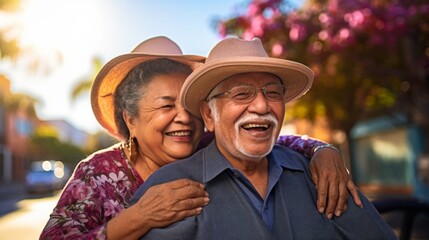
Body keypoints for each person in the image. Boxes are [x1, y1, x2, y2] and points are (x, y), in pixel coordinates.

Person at [40, 36, 361, 240]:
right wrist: (136, 219)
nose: (184, 117)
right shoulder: (97, 173)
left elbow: (273, 139)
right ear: (130, 119)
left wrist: (323, 150)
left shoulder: (209, 145)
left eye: (190, 105)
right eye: (166, 105)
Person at [131, 37, 398, 240]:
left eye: (272, 93)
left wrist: (324, 150)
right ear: (208, 115)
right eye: (241, 94)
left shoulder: (322, 176)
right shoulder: (167, 189)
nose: (261, 106)